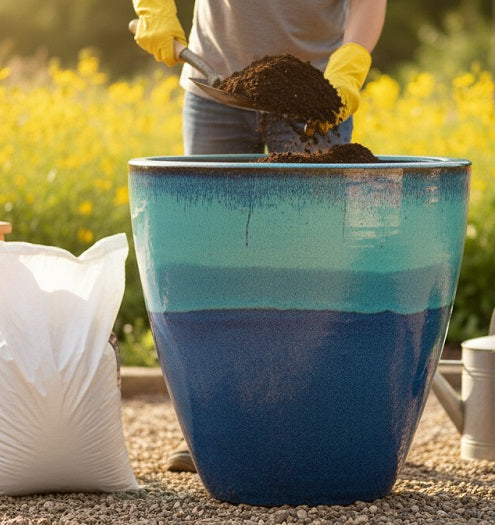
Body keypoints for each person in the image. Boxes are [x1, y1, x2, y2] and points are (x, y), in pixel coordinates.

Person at [131, 0, 387, 472]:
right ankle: (214, 425)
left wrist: (351, 63)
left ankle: (315, 421)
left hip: (312, 93)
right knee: (211, 259)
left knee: (316, 262)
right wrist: (153, 8)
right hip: (214, 85)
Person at [132, 0, 386, 155]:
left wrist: (349, 67)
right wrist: (155, 9)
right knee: (213, 224)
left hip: (315, 98)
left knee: (311, 225)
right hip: (215, 90)